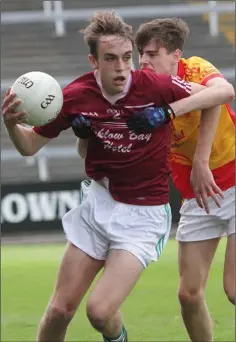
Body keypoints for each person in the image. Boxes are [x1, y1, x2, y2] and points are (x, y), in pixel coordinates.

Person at [2, 12, 234, 342]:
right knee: (59, 311)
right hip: (99, 204)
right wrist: (12, 124)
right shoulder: (75, 96)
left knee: (98, 311)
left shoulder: (155, 85)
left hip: (143, 214)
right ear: (93, 61)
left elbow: (218, 95)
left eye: (128, 58)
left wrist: (169, 115)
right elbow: (30, 147)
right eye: (111, 59)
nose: (123, 67)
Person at [131, 17, 235, 342]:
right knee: (188, 296)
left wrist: (169, 112)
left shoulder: (194, 69)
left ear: (176, 55)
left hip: (233, 177)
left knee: (233, 289)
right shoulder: (141, 90)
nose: (143, 61)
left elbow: (223, 93)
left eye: (152, 54)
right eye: (141, 55)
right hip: (198, 195)